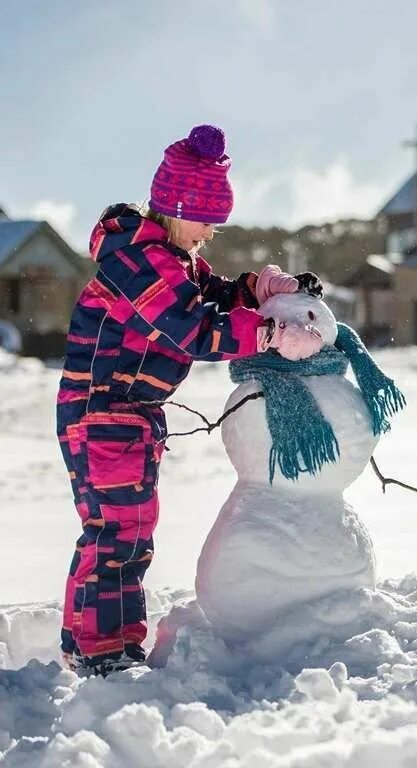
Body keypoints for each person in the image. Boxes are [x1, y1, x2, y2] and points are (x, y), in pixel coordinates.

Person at [56, 124, 322, 674]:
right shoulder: (137, 262)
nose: (209, 233)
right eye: (204, 220)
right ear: (176, 207)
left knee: (130, 529)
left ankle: (109, 642)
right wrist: (268, 336)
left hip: (127, 415)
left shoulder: (174, 259)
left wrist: (257, 290)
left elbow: (213, 294)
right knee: (115, 531)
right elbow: (191, 326)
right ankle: (99, 652)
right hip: (101, 412)